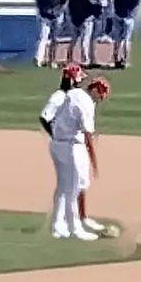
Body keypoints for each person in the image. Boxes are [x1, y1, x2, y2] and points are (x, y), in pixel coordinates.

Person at [49, 76, 110, 240]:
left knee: (64, 186)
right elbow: (87, 135)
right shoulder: (86, 102)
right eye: (101, 93)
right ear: (95, 90)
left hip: (57, 142)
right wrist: (94, 160)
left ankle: (58, 225)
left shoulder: (73, 94)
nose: (101, 98)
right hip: (71, 145)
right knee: (73, 187)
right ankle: (75, 227)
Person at [106, 0, 139, 68]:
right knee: (126, 39)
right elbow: (136, 0)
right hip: (127, 15)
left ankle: (116, 59)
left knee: (118, 39)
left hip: (118, 12)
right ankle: (124, 60)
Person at [66, 0, 102, 67]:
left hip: (80, 17)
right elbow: (94, 3)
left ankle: (71, 57)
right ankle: (86, 59)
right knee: (85, 39)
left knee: (78, 39)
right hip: (85, 18)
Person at [34, 0, 68, 68]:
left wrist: (59, 10)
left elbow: (64, 1)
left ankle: (52, 59)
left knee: (55, 39)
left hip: (56, 15)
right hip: (46, 15)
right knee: (44, 38)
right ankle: (39, 59)